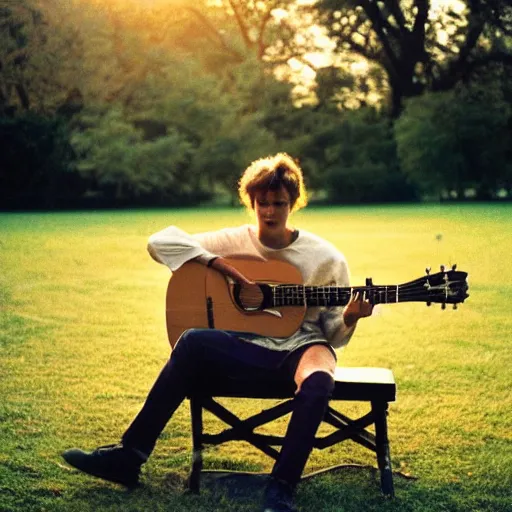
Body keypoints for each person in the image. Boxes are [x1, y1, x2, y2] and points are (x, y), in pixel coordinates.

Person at [62, 153, 374, 512]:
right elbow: (159, 242)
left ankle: (281, 487)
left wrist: (350, 316)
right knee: (192, 340)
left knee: (319, 379)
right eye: (263, 204)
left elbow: (332, 332)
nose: (270, 212)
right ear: (251, 202)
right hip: (243, 345)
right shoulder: (232, 240)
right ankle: (128, 456)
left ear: (294, 204)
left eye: (280, 204)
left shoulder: (326, 258)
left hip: (301, 344)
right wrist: (221, 266)